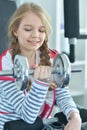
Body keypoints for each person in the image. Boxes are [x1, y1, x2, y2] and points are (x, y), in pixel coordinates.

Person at [0, 2, 82, 130]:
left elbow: (62, 95)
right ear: (15, 31)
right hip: (12, 127)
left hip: (41, 125)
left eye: (41, 30)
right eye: (28, 29)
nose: (35, 35)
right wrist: (41, 82)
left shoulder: (52, 57)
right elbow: (28, 117)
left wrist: (75, 117)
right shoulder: (6, 64)